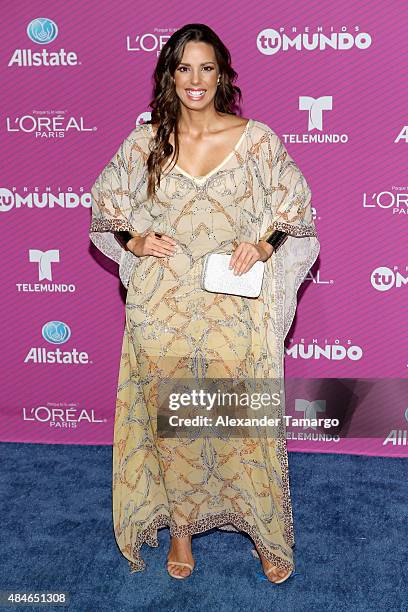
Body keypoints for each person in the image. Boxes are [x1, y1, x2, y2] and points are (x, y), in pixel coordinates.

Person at [89, 23, 320, 584]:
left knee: (242, 421)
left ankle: (262, 526)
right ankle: (182, 529)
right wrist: (134, 241)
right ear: (170, 75)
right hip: (162, 310)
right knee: (174, 423)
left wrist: (262, 244)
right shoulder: (144, 143)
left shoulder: (257, 139)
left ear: (223, 75)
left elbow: (298, 216)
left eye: (207, 68)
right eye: (184, 68)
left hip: (233, 310)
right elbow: (105, 214)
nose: (196, 80)